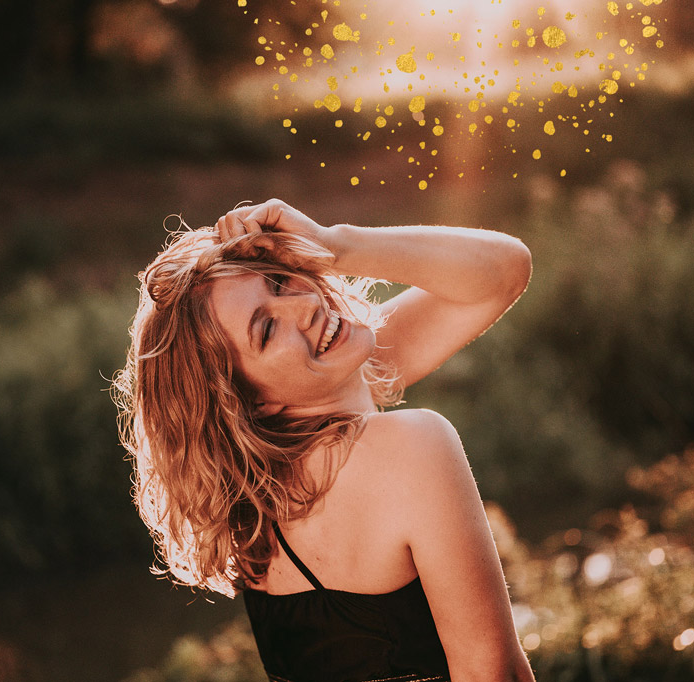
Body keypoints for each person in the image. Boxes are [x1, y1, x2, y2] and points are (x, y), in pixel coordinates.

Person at [114, 199, 536, 682]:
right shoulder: (407, 446)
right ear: (248, 401)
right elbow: (494, 673)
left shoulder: (256, 491)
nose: (307, 304)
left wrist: (330, 245)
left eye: (279, 280)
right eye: (267, 329)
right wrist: (340, 245)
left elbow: (505, 272)